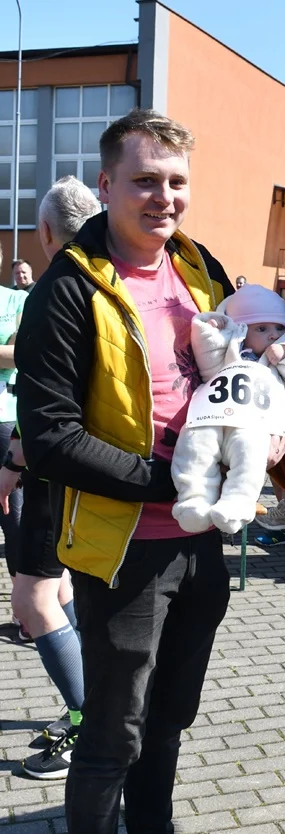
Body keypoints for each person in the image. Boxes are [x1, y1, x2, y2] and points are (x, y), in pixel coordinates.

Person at [14, 108, 285, 834]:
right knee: (111, 735)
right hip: (124, 547)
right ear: (106, 186)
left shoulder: (200, 265)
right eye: (143, 180)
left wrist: (269, 421)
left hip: (202, 542)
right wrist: (168, 479)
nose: (162, 197)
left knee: (170, 716)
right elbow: (50, 436)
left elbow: (240, 371)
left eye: (175, 181)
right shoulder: (69, 288)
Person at [0, 178, 101, 780]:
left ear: (44, 232)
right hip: (98, 470)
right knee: (59, 587)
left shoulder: (57, 288)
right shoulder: (113, 280)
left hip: (55, 467)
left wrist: (13, 465)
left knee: (32, 600)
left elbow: (42, 397)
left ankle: (89, 722)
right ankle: (99, 705)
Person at [171, 283, 285, 535]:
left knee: (251, 452)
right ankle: (194, 500)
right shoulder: (229, 351)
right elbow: (206, 359)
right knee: (195, 445)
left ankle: (237, 503)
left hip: (254, 422)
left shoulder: (280, 355)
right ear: (241, 330)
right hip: (210, 415)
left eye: (280, 328)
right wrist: (211, 330)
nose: (273, 335)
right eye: (262, 328)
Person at [0, 245, 26, 581]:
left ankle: (25, 598)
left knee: (14, 515)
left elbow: (21, 353)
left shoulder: (16, 300)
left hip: (5, 419)